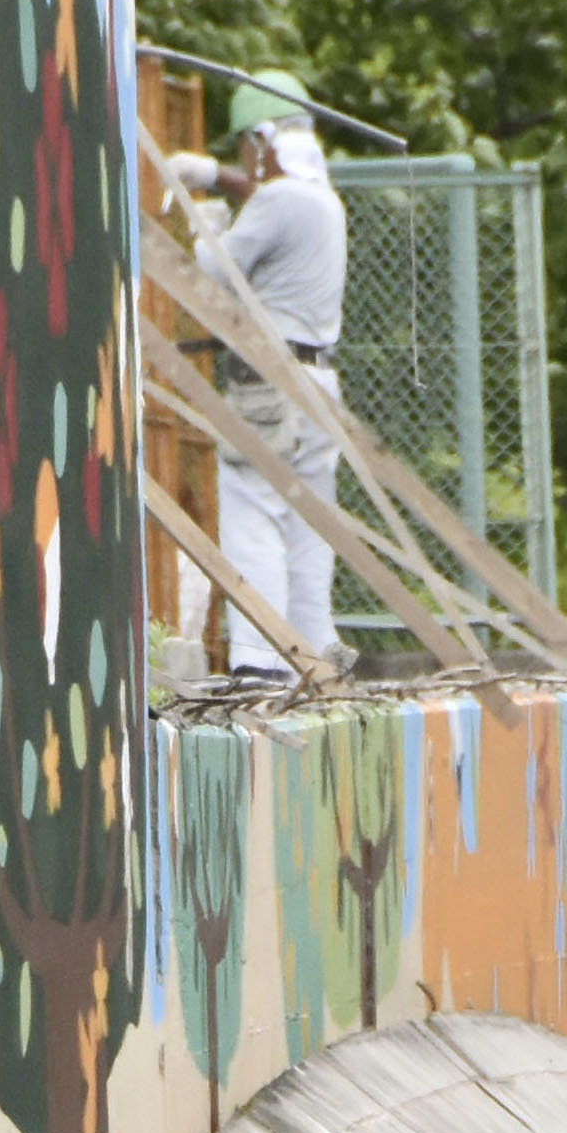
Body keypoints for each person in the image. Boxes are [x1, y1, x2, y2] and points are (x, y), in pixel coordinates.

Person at [170, 70, 348, 681]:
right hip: (319, 382)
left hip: (270, 384)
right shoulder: (323, 202)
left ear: (263, 139)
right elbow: (264, 196)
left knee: (254, 508)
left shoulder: (276, 203)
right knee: (310, 521)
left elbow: (208, 274)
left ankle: (259, 659)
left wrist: (205, 218)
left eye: (245, 149)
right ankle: (312, 651)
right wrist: (219, 178)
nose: (245, 161)